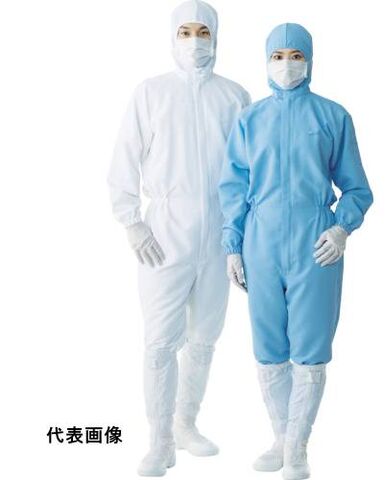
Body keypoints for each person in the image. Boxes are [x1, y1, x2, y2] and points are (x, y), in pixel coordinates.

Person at [218, 23, 373, 480]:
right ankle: (281, 438)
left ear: (310, 60)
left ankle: (298, 449)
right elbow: (234, 186)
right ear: (266, 62)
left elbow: (357, 188)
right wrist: (233, 245)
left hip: (314, 243)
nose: (287, 64)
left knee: (310, 346)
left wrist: (341, 228)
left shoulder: (332, 116)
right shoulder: (249, 119)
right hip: (260, 242)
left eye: (295, 55)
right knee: (269, 346)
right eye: (278, 56)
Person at [108, 1, 250, 476]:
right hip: (166, 236)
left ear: (216, 36)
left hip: (219, 237)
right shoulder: (151, 93)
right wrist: (132, 221)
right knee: (160, 342)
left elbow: (250, 170)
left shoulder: (235, 97)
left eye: (203, 31)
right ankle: (160, 440)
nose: (195, 41)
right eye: (185, 31)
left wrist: (242, 237)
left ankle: (186, 424)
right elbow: (124, 159)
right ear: (173, 37)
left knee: (205, 338)